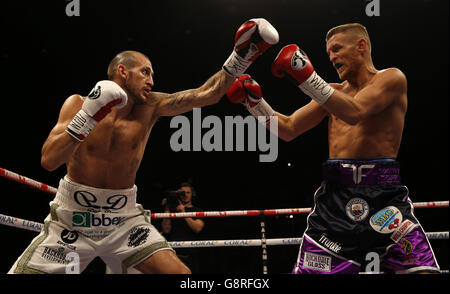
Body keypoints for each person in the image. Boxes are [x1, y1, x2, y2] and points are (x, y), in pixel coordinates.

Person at [8, 18, 279, 274]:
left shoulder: (151, 107)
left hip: (123, 219)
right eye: (145, 72)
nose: (152, 80)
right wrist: (88, 116)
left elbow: (206, 95)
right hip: (73, 217)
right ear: (122, 72)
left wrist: (243, 55)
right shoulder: (78, 104)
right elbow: (49, 160)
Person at [226, 23, 440, 274]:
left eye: (337, 49)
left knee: (422, 273)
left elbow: (355, 112)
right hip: (335, 206)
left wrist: (305, 76)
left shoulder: (392, 78)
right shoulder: (332, 93)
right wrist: (253, 103)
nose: (332, 57)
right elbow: (288, 128)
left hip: (386, 204)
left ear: (361, 46)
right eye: (329, 53)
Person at [161, 182, 205, 273]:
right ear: (179, 194)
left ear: (192, 194)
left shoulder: (197, 210)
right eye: (183, 192)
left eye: (188, 192)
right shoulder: (172, 211)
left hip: (191, 252)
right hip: (174, 251)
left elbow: (197, 228)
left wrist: (183, 213)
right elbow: (166, 230)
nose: (185, 195)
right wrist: (167, 208)